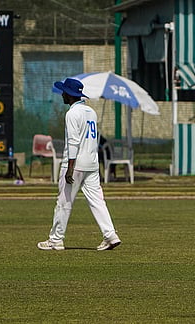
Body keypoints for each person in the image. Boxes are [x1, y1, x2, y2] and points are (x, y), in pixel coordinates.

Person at [37, 78, 121, 251]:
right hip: (92, 162)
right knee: (97, 201)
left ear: (69, 94)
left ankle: (55, 240)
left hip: (76, 163)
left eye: (64, 92)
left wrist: (70, 168)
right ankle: (110, 235)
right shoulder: (90, 112)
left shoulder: (72, 114)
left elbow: (74, 142)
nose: (62, 94)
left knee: (64, 202)